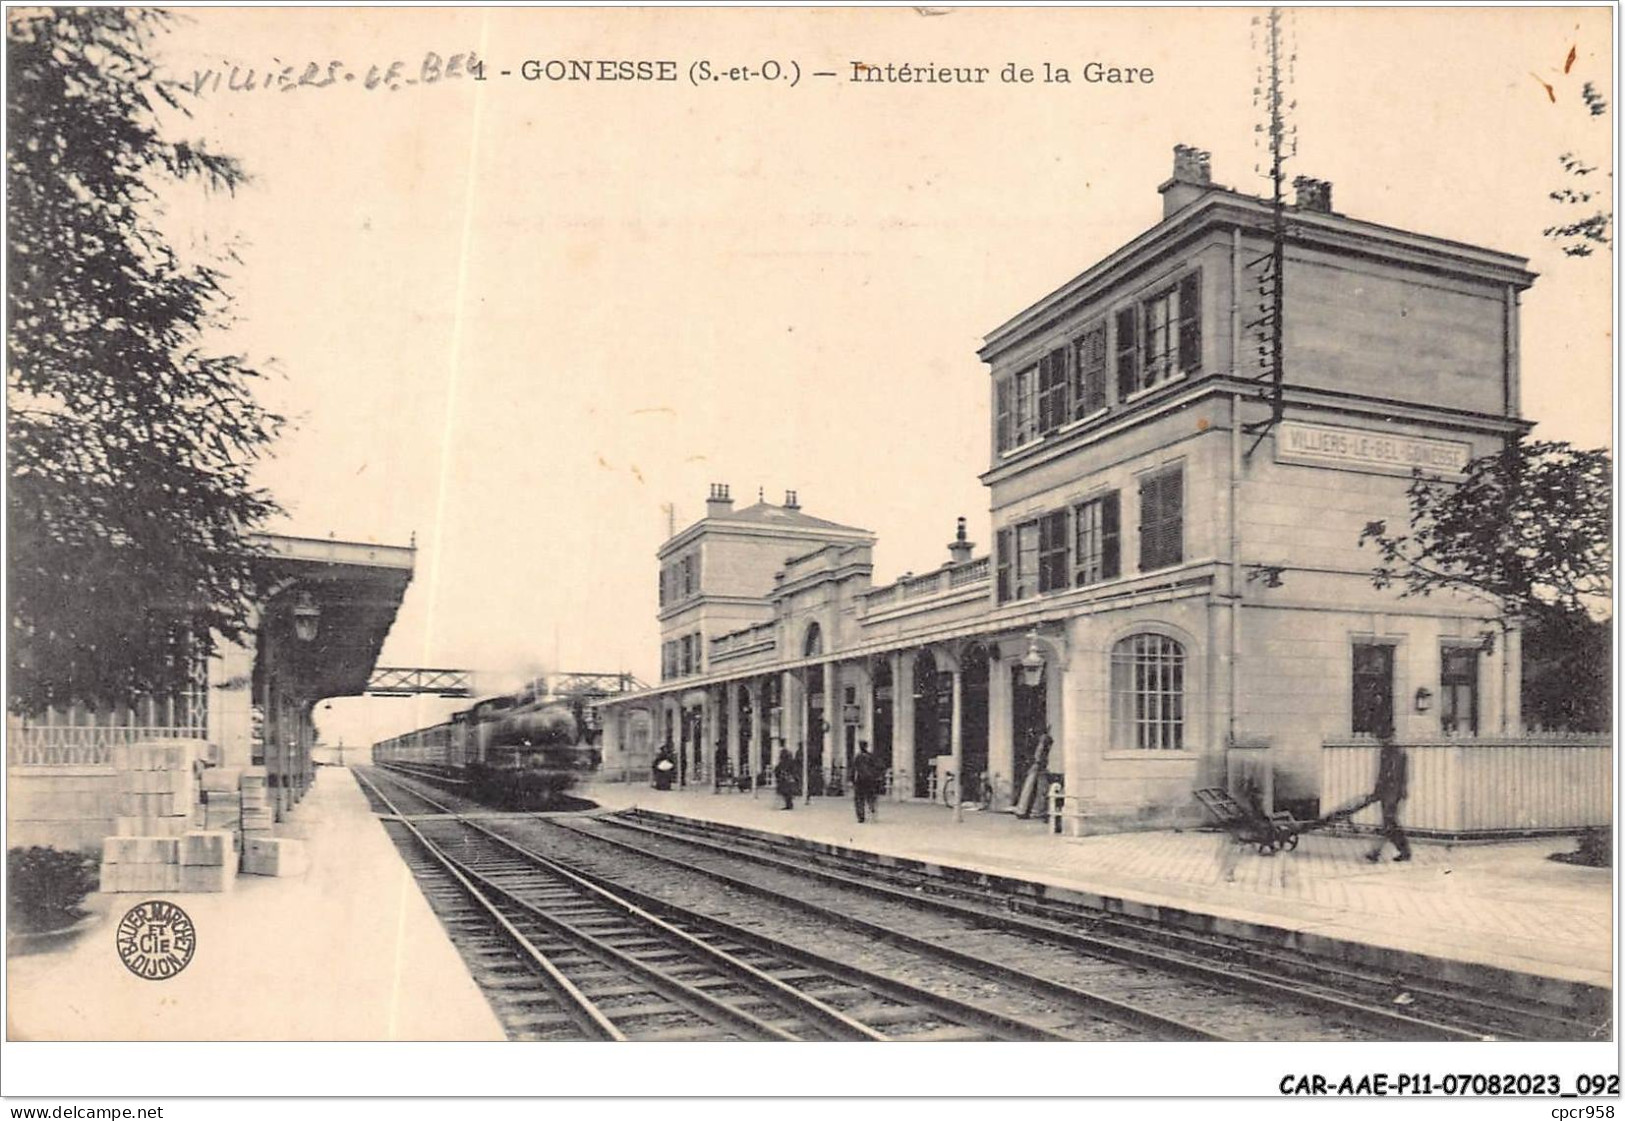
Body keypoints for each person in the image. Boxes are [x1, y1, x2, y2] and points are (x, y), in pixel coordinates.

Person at [1327, 727, 1411, 862]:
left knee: (1389, 822)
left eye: (1384, 738)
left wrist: (1386, 793)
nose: (1381, 741)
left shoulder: (1396, 752)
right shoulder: (1387, 751)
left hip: (1393, 793)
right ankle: (1402, 851)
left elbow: (1394, 776)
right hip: (1388, 792)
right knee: (1389, 823)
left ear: (1390, 737)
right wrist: (1377, 792)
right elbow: (1383, 775)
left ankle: (1378, 853)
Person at [850, 740, 881, 823]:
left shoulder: (858, 757)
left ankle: (861, 816)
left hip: (860, 780)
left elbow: (853, 769)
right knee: (870, 797)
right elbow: (876, 767)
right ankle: (872, 812)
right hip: (870, 780)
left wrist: (852, 780)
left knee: (859, 798)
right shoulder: (871, 756)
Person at [773, 746, 799, 810]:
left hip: (784, 779)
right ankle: (788, 804)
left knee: (785, 793)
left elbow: (777, 770)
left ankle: (787, 805)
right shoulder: (789, 762)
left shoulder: (783, 763)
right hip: (787, 779)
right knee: (787, 793)